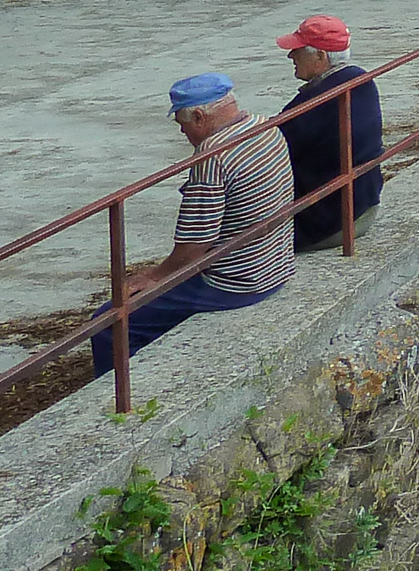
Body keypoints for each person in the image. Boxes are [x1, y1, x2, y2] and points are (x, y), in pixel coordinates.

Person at [91, 74, 296, 376]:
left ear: (199, 116)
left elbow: (194, 247)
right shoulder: (265, 127)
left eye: (182, 124)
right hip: (276, 265)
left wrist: (154, 276)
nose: (183, 132)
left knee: (110, 323)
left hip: (236, 283)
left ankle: (119, 395)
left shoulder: (212, 155)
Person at [274, 14, 384, 252]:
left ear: (321, 57)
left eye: (298, 50)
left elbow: (269, 147)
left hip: (328, 224)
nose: (291, 56)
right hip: (363, 207)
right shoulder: (361, 81)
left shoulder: (317, 101)